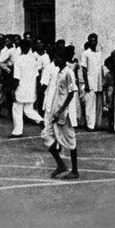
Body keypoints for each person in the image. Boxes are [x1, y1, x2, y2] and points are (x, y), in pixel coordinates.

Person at [42, 44, 79, 179]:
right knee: (46, 136)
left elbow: (71, 93)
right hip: (54, 111)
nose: (55, 60)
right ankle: (61, 165)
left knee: (70, 140)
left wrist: (61, 111)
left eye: (57, 58)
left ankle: (75, 171)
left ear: (63, 59)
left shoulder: (68, 72)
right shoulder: (59, 72)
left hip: (63, 113)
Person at [10, 39, 44, 136]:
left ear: (20, 48)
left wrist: (13, 90)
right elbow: (37, 76)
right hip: (30, 89)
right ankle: (41, 120)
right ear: (29, 48)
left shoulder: (18, 60)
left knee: (17, 109)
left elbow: (16, 78)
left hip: (20, 88)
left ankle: (17, 131)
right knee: (28, 110)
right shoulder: (33, 60)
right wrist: (36, 89)